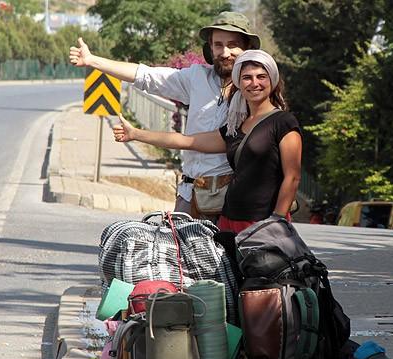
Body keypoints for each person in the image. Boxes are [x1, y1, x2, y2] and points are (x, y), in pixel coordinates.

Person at [69, 12, 260, 221]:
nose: (225, 52)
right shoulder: (197, 77)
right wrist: (93, 61)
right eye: (218, 45)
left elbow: (223, 142)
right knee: (177, 252)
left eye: (233, 45)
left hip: (232, 199)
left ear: (247, 48)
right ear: (210, 48)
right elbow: (146, 76)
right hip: (191, 194)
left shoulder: (255, 89)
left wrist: (138, 134)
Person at [112, 50, 302, 234]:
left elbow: (292, 177)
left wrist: (278, 220)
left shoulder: (283, 122)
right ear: (239, 83)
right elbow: (188, 141)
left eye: (261, 76)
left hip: (263, 222)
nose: (254, 83)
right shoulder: (235, 126)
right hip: (229, 219)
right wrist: (136, 134)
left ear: (273, 81)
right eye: (247, 77)